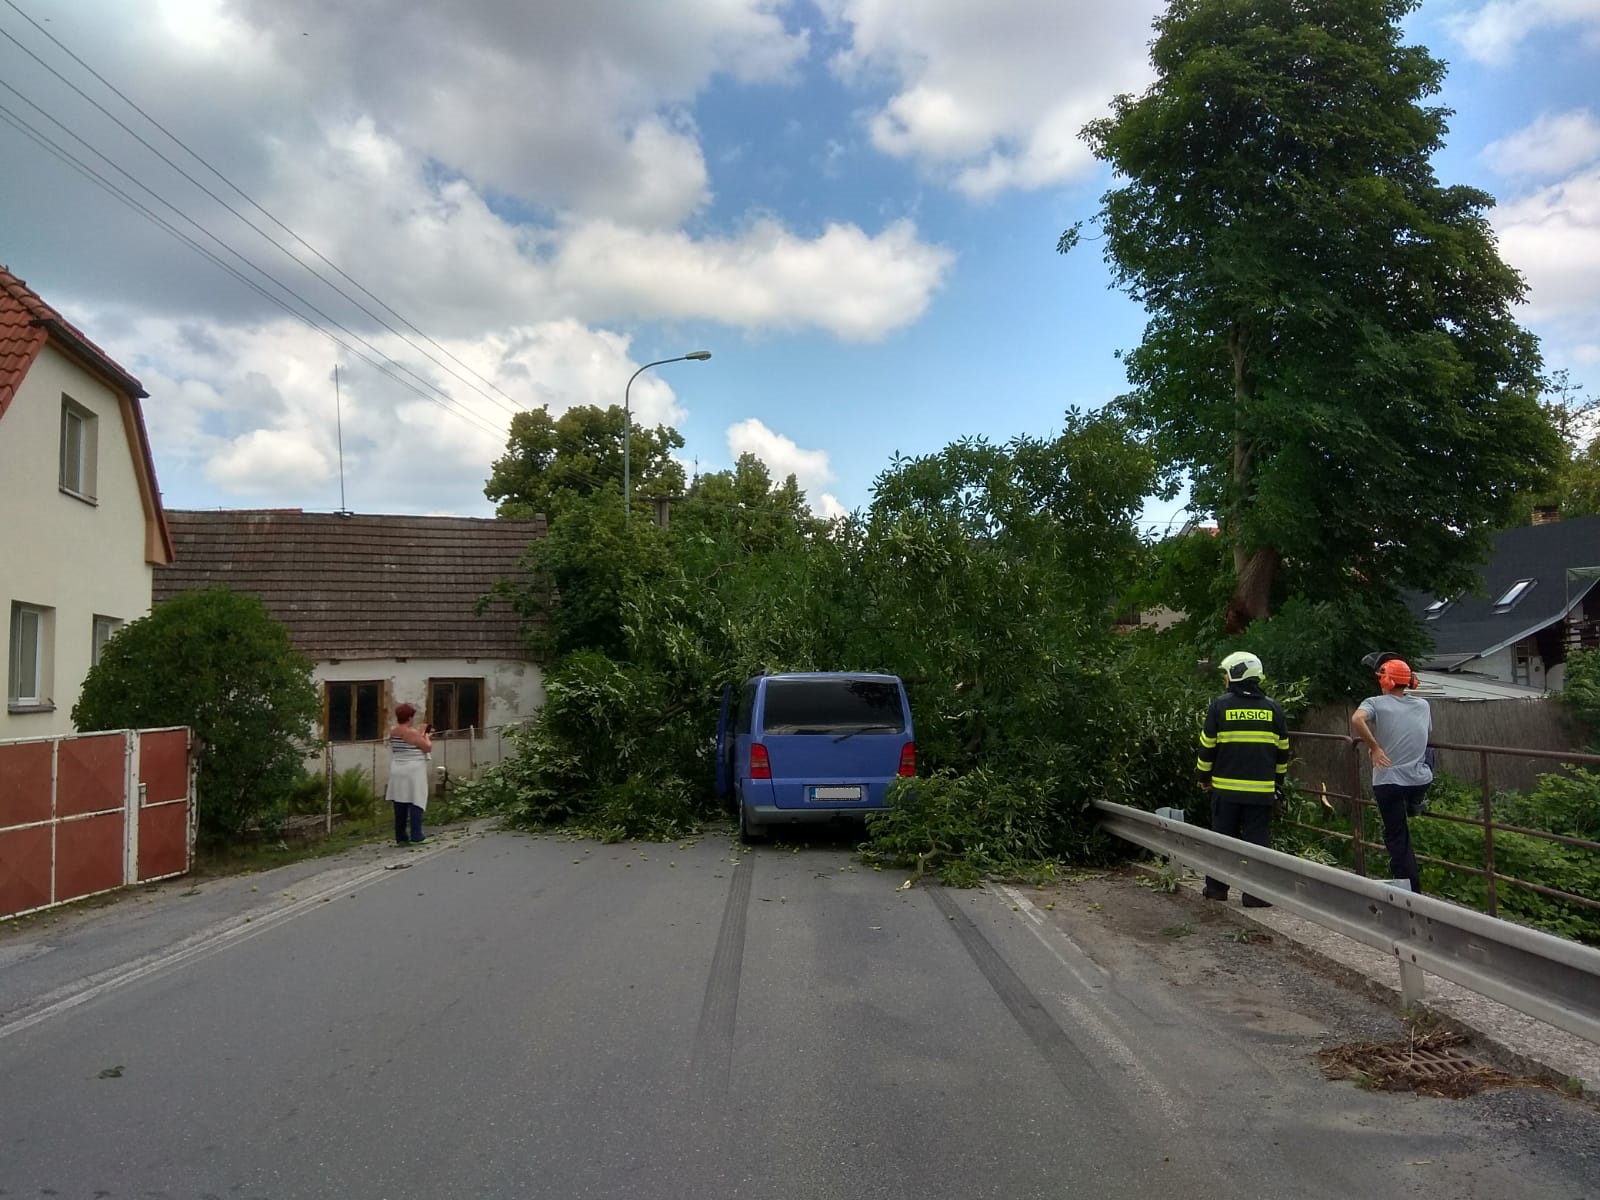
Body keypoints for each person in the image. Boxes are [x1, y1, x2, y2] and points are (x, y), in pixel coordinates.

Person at [1196, 651, 1291, 907]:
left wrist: (1203, 778)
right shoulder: (1273, 709)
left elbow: (1207, 749)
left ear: (1236, 675)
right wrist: (1277, 785)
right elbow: (1283, 753)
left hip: (1226, 792)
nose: (1225, 680)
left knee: (1222, 841)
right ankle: (1255, 895)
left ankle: (1216, 890)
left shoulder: (1220, 706)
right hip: (1261, 793)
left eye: (1227, 674)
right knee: (1257, 844)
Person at [1350, 658, 1431, 894]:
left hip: (1388, 782)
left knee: (1397, 836)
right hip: (1419, 780)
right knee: (1430, 753)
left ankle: (1409, 888)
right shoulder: (1423, 705)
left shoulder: (1374, 702)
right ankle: (1416, 802)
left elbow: (1357, 719)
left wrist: (1374, 747)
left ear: (1385, 679)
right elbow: (1423, 736)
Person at [386, 702, 434, 845]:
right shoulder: (411, 732)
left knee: (400, 801)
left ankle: (401, 837)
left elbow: (408, 744)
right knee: (416, 799)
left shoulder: (394, 731)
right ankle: (417, 835)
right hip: (413, 770)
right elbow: (427, 748)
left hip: (397, 768)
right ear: (409, 717)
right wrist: (426, 736)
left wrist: (420, 733)